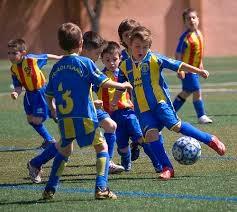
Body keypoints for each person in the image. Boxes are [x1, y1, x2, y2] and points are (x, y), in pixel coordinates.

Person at [115, 26, 226, 180]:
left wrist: (198, 71)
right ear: (130, 45)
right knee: (151, 135)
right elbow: (120, 86)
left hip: (160, 104)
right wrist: (115, 100)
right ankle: (167, 168)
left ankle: (210, 139)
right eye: (137, 46)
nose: (141, 50)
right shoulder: (124, 66)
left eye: (145, 47)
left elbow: (178, 65)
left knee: (176, 126)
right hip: (143, 110)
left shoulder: (154, 59)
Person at [41, 22, 132, 200]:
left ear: (61, 44)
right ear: (81, 43)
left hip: (65, 119)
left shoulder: (56, 67)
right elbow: (103, 82)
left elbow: (49, 94)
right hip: (84, 117)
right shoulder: (85, 63)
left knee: (65, 151)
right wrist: (122, 84)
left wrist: (52, 108)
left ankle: (50, 188)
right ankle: (102, 188)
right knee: (102, 146)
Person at [99, 40, 162, 172]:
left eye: (114, 59)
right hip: (112, 117)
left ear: (120, 58)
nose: (111, 62)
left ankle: (157, 163)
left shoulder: (124, 74)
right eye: (107, 60)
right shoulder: (99, 77)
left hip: (128, 113)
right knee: (121, 145)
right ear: (102, 60)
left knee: (141, 138)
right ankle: (126, 163)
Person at [118, 19, 163, 171]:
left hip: (149, 102)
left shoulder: (145, 53)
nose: (129, 36)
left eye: (132, 33)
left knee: (148, 132)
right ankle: (136, 154)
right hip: (129, 103)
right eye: (126, 34)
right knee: (138, 133)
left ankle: (158, 162)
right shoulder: (120, 58)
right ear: (122, 39)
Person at [81, 31, 125, 174]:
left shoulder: (89, 63)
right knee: (65, 146)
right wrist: (122, 86)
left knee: (111, 126)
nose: (98, 57)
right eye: (97, 53)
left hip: (91, 106)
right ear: (85, 49)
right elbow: (102, 81)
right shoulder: (82, 64)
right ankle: (37, 163)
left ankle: (108, 162)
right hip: (79, 110)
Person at [8, 38, 61, 150]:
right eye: (9, 53)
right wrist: (16, 93)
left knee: (37, 119)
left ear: (23, 53)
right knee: (30, 119)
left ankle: (56, 114)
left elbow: (46, 56)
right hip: (29, 95)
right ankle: (49, 139)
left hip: (40, 92)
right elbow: (18, 86)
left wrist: (60, 58)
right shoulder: (13, 69)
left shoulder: (31, 60)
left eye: (14, 53)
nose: (11, 56)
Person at [172, 8, 213, 124]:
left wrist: (200, 64)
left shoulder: (199, 34)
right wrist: (179, 69)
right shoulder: (185, 38)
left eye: (193, 17)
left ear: (198, 20)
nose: (191, 20)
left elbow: (198, 52)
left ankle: (170, 113)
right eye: (188, 18)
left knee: (186, 93)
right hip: (188, 70)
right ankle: (201, 116)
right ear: (184, 22)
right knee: (197, 90)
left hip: (195, 69)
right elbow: (178, 53)